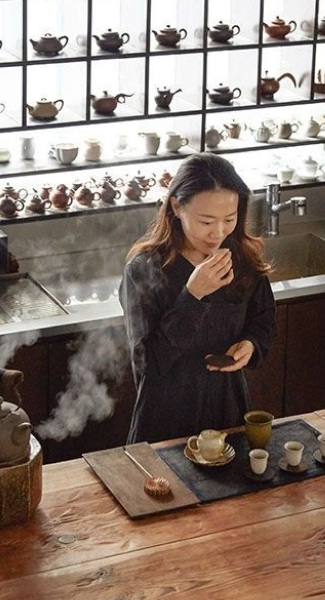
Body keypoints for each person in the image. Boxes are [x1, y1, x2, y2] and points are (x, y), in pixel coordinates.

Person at [119, 153, 276, 444]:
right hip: (165, 418)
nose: (218, 232)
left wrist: (251, 345)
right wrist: (193, 295)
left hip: (229, 413)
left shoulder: (241, 258)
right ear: (177, 207)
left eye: (229, 219)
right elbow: (147, 365)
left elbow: (263, 322)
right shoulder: (144, 270)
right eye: (206, 221)